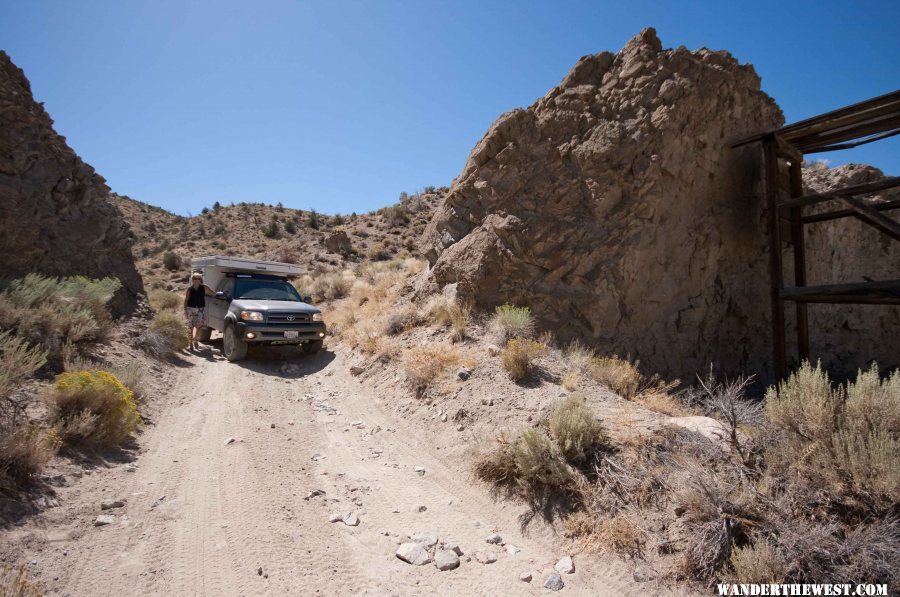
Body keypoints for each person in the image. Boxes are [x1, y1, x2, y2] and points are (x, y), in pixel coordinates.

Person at [184, 271, 213, 351]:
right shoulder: (189, 289)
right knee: (190, 327)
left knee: (199, 326)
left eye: (199, 278)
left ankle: (195, 339)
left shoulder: (204, 287)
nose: (197, 280)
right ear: (192, 280)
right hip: (190, 309)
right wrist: (185, 311)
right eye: (195, 278)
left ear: (201, 279)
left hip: (200, 309)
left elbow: (213, 293)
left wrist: (220, 294)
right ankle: (190, 343)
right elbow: (186, 301)